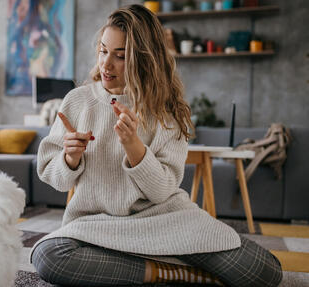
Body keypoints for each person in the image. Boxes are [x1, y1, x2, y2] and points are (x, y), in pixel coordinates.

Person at [30, 4, 282, 287]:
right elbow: (54, 177)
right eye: (103, 51)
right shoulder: (76, 101)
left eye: (120, 56)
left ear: (144, 60)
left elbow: (163, 190)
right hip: (97, 225)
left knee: (264, 272)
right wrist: (70, 158)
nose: (106, 64)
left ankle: (145, 267)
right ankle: (171, 273)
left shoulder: (166, 110)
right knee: (48, 256)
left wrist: (134, 146)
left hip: (165, 221)